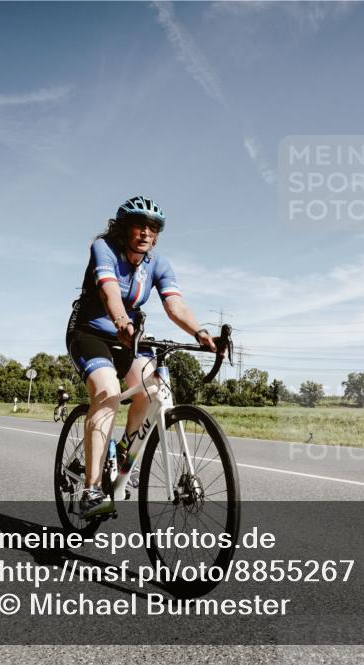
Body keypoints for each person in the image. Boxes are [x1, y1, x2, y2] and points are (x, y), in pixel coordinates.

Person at [66, 195, 215, 518]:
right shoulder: (104, 249)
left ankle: (124, 454)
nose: (146, 233)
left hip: (130, 337)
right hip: (90, 332)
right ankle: (91, 489)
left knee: (151, 390)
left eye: (153, 228)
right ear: (124, 229)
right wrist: (121, 321)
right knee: (108, 393)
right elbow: (108, 292)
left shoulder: (158, 264)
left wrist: (200, 333)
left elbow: (175, 305)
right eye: (139, 225)